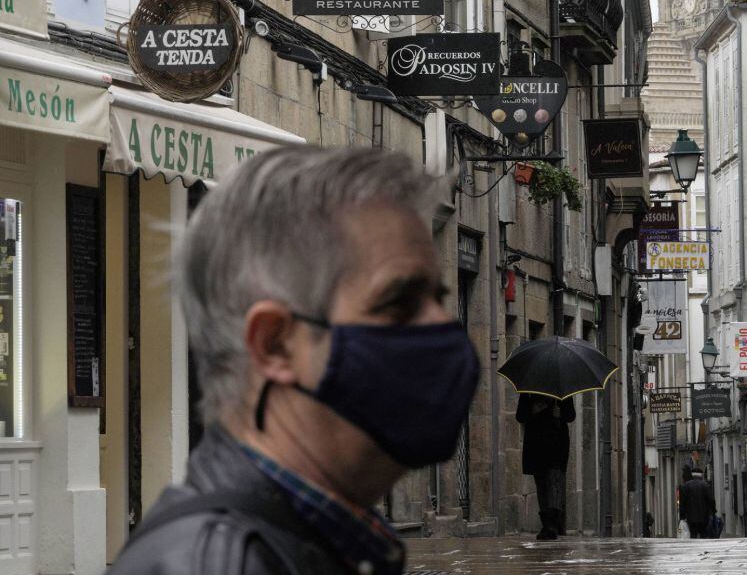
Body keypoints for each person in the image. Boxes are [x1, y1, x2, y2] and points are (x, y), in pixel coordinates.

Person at [109, 146, 480, 575]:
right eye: (399, 304)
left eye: (437, 299)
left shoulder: (323, 542)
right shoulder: (218, 564)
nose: (443, 327)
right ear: (275, 345)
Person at [516, 392, 576, 540]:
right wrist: (534, 410)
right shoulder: (528, 393)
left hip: (557, 444)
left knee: (555, 481)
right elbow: (520, 416)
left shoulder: (562, 393)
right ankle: (546, 523)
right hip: (536, 444)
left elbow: (571, 415)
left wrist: (560, 413)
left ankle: (552, 524)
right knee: (541, 482)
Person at [677, 469, 716, 539]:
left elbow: (682, 503)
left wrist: (682, 517)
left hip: (690, 517)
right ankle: (703, 546)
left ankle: (694, 546)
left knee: (693, 534)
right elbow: (711, 500)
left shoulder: (685, 486)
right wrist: (713, 511)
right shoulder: (706, 486)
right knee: (703, 534)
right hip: (704, 517)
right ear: (701, 475)